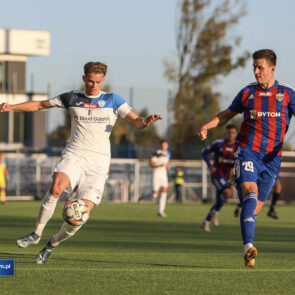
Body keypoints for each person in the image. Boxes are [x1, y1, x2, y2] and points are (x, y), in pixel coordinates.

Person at [0, 61, 162, 264]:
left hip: (98, 166)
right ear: (84, 78)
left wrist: (146, 121)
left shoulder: (113, 100)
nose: (94, 85)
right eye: (91, 81)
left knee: (78, 216)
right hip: (74, 155)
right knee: (56, 187)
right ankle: (35, 234)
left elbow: (136, 121)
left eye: (98, 81)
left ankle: (52, 243)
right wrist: (12, 107)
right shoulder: (71, 98)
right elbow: (40, 105)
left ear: (103, 80)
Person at [197, 49, 295, 268]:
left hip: (273, 159)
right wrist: (206, 126)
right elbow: (226, 115)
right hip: (248, 151)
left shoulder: (287, 93)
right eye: (254, 67)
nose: (256, 71)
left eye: (260, 67)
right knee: (249, 191)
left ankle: (248, 246)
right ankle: (248, 247)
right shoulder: (247, 93)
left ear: (272, 68)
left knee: (254, 208)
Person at [201, 124, 238, 232]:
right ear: (226, 133)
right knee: (227, 193)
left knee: (221, 200)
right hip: (217, 174)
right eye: (229, 132)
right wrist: (210, 166)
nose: (231, 134)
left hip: (228, 176)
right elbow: (204, 153)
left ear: (236, 134)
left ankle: (209, 218)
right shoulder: (219, 144)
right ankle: (208, 220)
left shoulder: (238, 146)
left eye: (233, 132)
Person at [149, 140, 171, 217]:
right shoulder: (157, 153)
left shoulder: (168, 154)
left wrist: (167, 166)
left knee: (164, 191)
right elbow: (151, 163)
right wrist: (159, 165)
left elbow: (166, 164)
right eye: (163, 145)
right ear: (161, 145)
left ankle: (161, 211)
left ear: (167, 145)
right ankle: (142, 196)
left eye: (165, 144)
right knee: (154, 195)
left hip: (164, 175)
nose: (164, 146)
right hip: (156, 174)